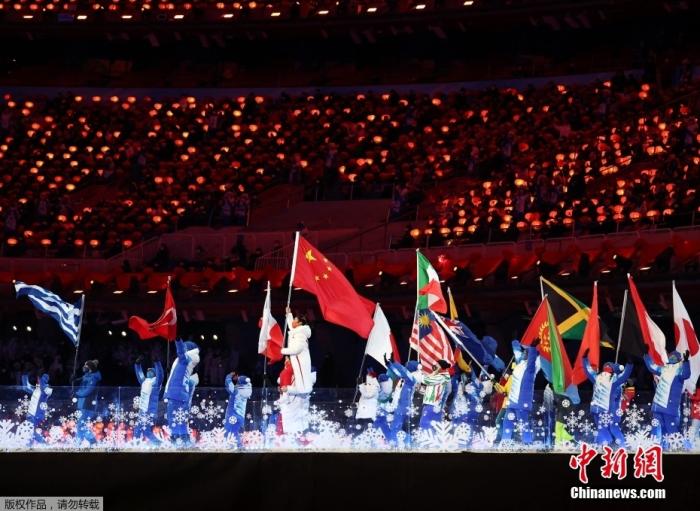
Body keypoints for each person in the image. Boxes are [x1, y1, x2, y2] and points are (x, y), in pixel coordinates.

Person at [644, 350, 690, 446]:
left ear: (678, 359)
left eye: (674, 357)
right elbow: (652, 367)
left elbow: (686, 374)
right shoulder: (663, 368)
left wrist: (686, 362)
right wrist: (647, 356)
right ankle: (659, 446)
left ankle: (680, 446)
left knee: (671, 428)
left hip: (669, 406)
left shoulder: (679, 370)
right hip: (658, 404)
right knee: (658, 427)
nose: (672, 358)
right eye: (671, 356)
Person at [584, 358, 633, 447]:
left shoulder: (612, 381)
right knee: (604, 428)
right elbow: (589, 371)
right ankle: (608, 445)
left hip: (608, 410)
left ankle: (617, 446)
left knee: (609, 428)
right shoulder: (607, 379)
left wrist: (629, 365)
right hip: (605, 409)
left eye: (609, 367)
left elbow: (589, 371)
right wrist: (629, 365)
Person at [500, 339, 540, 445]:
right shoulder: (520, 363)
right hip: (512, 401)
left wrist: (532, 348)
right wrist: (515, 343)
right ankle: (505, 442)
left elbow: (532, 360)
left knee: (523, 423)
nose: (524, 353)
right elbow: (517, 353)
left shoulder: (531, 368)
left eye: (527, 352)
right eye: (525, 351)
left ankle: (527, 443)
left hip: (522, 402)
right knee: (507, 422)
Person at [163, 339, 200, 444]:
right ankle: (183, 440)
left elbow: (180, 351)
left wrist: (177, 340)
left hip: (176, 394)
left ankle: (178, 439)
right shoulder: (184, 362)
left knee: (175, 417)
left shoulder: (185, 359)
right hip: (178, 394)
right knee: (179, 418)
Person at [134, 358, 164, 444]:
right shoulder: (145, 381)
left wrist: (157, 363)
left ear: (154, 373)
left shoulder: (156, 383)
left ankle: (136, 442)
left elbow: (160, 374)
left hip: (150, 410)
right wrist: (137, 364)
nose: (148, 372)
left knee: (141, 428)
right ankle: (157, 443)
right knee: (145, 430)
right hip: (142, 409)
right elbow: (139, 374)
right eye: (148, 371)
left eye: (151, 371)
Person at [416, 360, 452, 430]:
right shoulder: (443, 376)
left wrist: (420, 373)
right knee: (434, 426)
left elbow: (426, 380)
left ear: (440, 367)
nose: (434, 366)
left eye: (437, 365)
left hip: (432, 404)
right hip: (435, 405)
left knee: (424, 425)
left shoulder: (441, 377)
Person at [73, 359, 102, 445]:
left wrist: (77, 394)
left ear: (90, 368)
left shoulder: (93, 378)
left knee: (81, 424)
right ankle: (81, 441)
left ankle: (90, 440)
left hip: (88, 403)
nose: (83, 367)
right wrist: (74, 379)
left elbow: (88, 390)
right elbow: (79, 380)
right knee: (81, 424)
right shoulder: (87, 376)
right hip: (82, 403)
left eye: (86, 366)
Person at [21, 373, 52, 444]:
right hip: (31, 413)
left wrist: (41, 381)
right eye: (41, 378)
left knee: (31, 430)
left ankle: (42, 443)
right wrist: (24, 376)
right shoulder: (36, 389)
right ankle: (36, 443)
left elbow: (45, 392)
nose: (40, 380)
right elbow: (26, 387)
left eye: (45, 378)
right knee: (30, 430)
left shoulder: (47, 389)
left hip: (37, 414)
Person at [224, 373, 252, 443]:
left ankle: (233, 445)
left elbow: (228, 384)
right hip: (241, 415)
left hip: (233, 414)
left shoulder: (236, 391)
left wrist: (229, 376)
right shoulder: (246, 391)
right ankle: (238, 445)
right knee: (235, 431)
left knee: (229, 431)